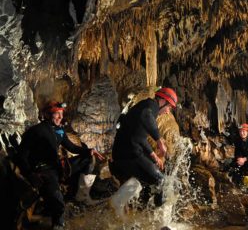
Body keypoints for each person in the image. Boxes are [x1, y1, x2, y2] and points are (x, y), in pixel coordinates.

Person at [17, 101, 104, 229]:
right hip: (45, 171)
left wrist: (88, 151)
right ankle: (58, 224)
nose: (60, 117)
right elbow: (21, 156)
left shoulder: (60, 131)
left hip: (59, 167)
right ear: (47, 114)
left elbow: (72, 147)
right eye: (57, 114)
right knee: (58, 203)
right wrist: (30, 174)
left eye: (61, 114)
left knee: (88, 159)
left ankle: (80, 196)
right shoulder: (35, 131)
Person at [110, 87, 177, 205]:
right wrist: (159, 141)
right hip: (128, 155)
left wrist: (154, 156)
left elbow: (139, 137)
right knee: (161, 181)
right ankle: (160, 217)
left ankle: (127, 206)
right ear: (162, 101)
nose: (168, 111)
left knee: (147, 181)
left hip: (123, 154)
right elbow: (146, 115)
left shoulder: (146, 107)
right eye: (169, 107)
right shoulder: (149, 106)